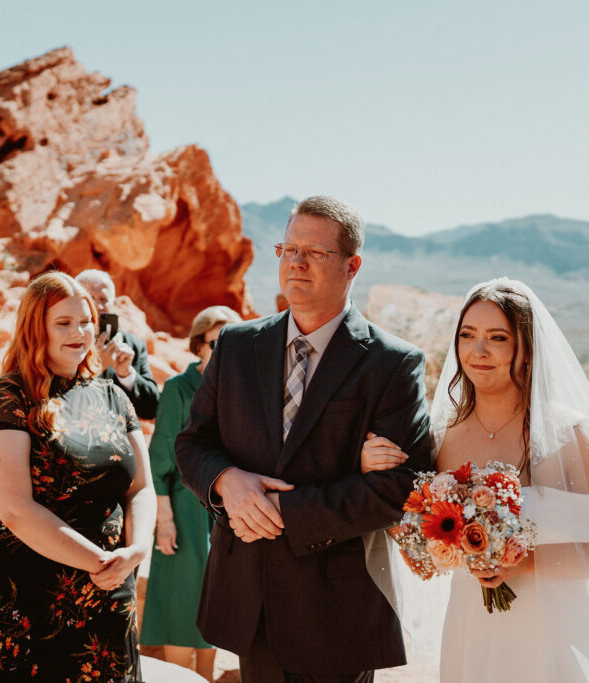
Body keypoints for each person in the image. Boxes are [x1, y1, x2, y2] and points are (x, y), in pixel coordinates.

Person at [175, 195, 432, 682]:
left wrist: (277, 513)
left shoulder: (392, 363)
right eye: (288, 249)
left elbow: (401, 485)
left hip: (335, 609)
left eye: (314, 252)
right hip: (248, 596)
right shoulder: (235, 345)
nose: (295, 262)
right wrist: (228, 482)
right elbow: (192, 445)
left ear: (352, 265)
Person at [361, 278, 589, 682]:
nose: (478, 351)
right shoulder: (441, 434)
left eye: (497, 337)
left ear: (528, 351)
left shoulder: (569, 433)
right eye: (467, 335)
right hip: (473, 628)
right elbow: (412, 524)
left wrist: (523, 563)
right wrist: (371, 469)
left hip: (557, 631)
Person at [0, 271, 156, 681]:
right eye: (63, 323)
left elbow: (140, 486)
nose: (80, 332)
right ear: (36, 330)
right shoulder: (5, 397)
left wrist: (136, 551)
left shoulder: (112, 395)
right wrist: (103, 562)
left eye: (85, 321)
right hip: (26, 591)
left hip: (109, 583)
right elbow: (15, 509)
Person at [141, 305, 242, 680]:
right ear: (200, 346)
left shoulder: (241, 389)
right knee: (182, 601)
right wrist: (163, 520)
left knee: (215, 601)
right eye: (217, 343)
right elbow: (161, 457)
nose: (224, 352)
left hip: (228, 510)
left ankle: (207, 677)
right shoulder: (178, 389)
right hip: (183, 510)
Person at [75, 269, 160, 419]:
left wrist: (127, 375)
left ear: (113, 303)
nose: (97, 305)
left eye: (103, 299)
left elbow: (151, 409)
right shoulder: (64, 341)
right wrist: (96, 366)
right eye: (89, 298)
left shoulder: (132, 345)